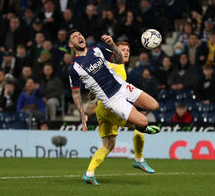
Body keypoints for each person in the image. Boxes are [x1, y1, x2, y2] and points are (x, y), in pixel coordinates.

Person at [67, 30, 160, 185]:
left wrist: (112, 45)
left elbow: (118, 59)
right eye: (74, 37)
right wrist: (82, 113)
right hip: (112, 100)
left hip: (124, 88)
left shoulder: (96, 50)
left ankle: (91, 173)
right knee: (143, 122)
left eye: (80, 34)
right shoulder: (74, 68)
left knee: (154, 105)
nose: (79, 37)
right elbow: (76, 93)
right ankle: (140, 137)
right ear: (71, 44)